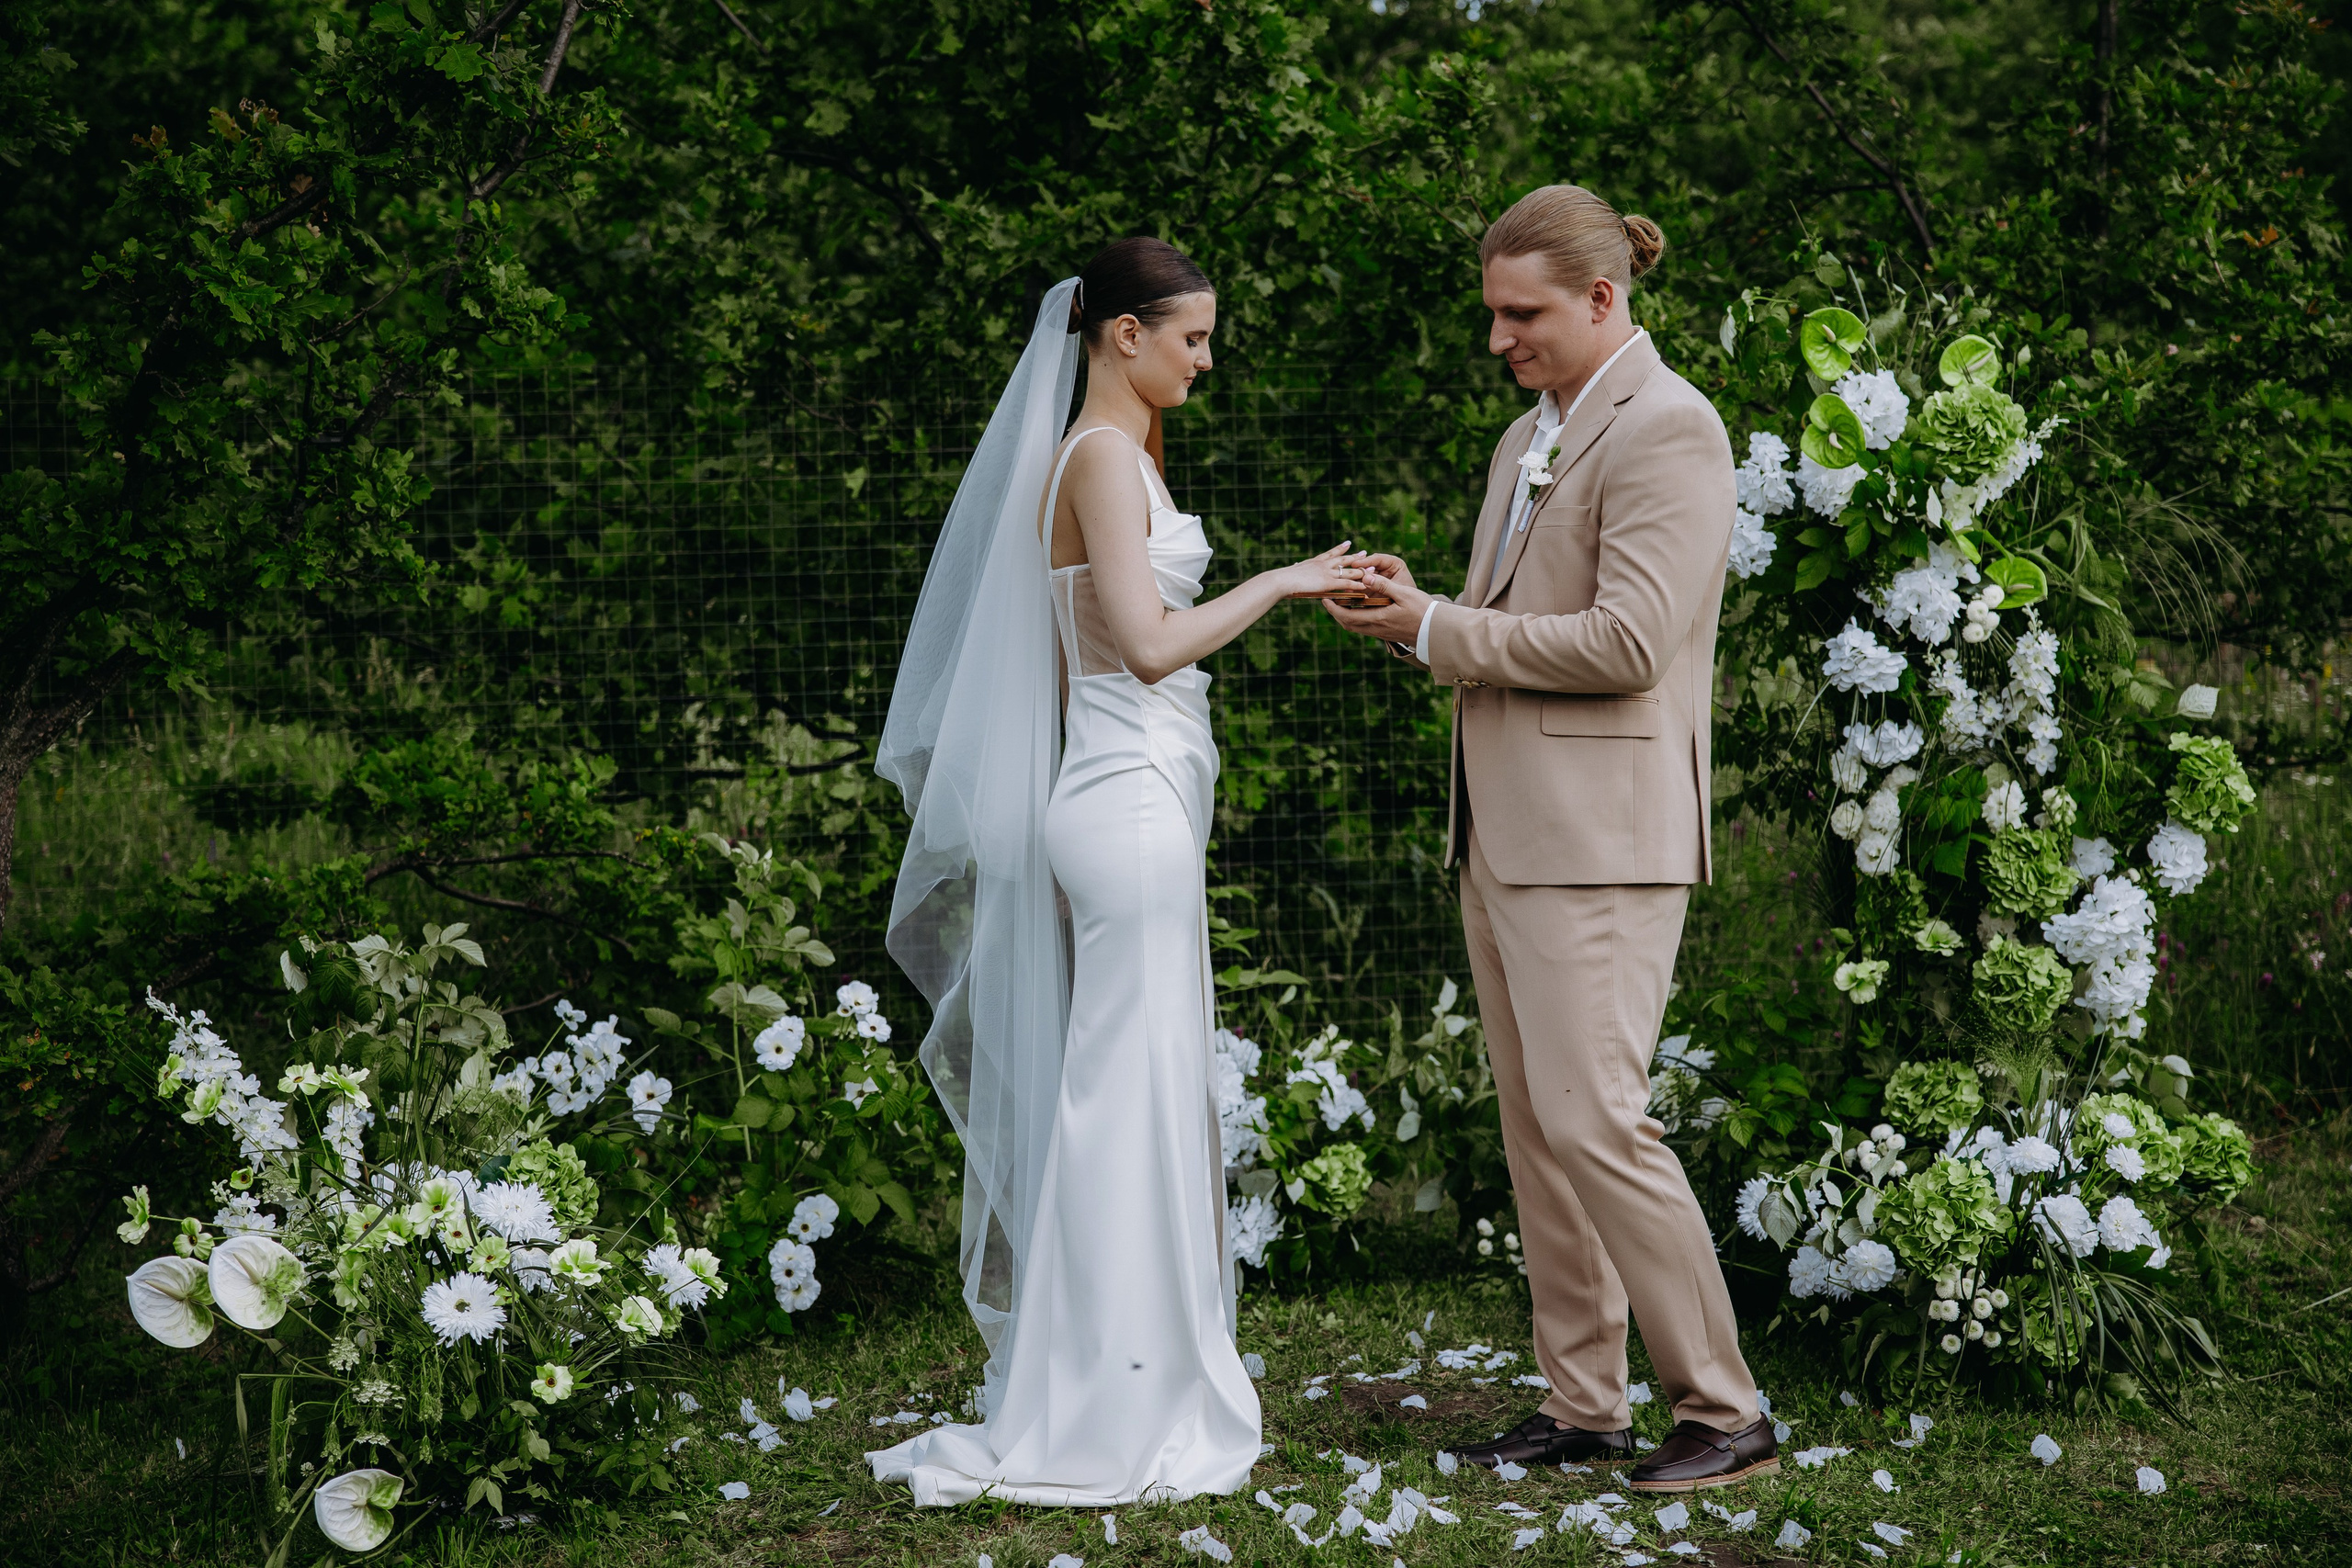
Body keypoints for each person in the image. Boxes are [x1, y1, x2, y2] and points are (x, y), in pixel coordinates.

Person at [868, 238, 1366, 1506]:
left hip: (1135, 797)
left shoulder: (1113, 456)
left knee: (1139, 1090)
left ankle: (1121, 1375)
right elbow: (1144, 648)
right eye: (1191, 336)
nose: (1207, 358)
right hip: (1125, 802)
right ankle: (1103, 1398)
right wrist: (1286, 581)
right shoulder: (1096, 457)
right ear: (1120, 336)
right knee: (1123, 1099)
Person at [1325, 185, 1775, 1494]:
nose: (1499, 338)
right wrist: (1424, 608)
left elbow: (1631, 647)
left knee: (1599, 1121)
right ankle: (1585, 1406)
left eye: (1521, 314)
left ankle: (1724, 1407)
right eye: (1492, 313)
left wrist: (1433, 630)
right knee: (1540, 1131)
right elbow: (1511, 625)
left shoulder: (1671, 430)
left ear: (1601, 299)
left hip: (1604, 841)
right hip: (1506, 831)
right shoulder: (1537, 432)